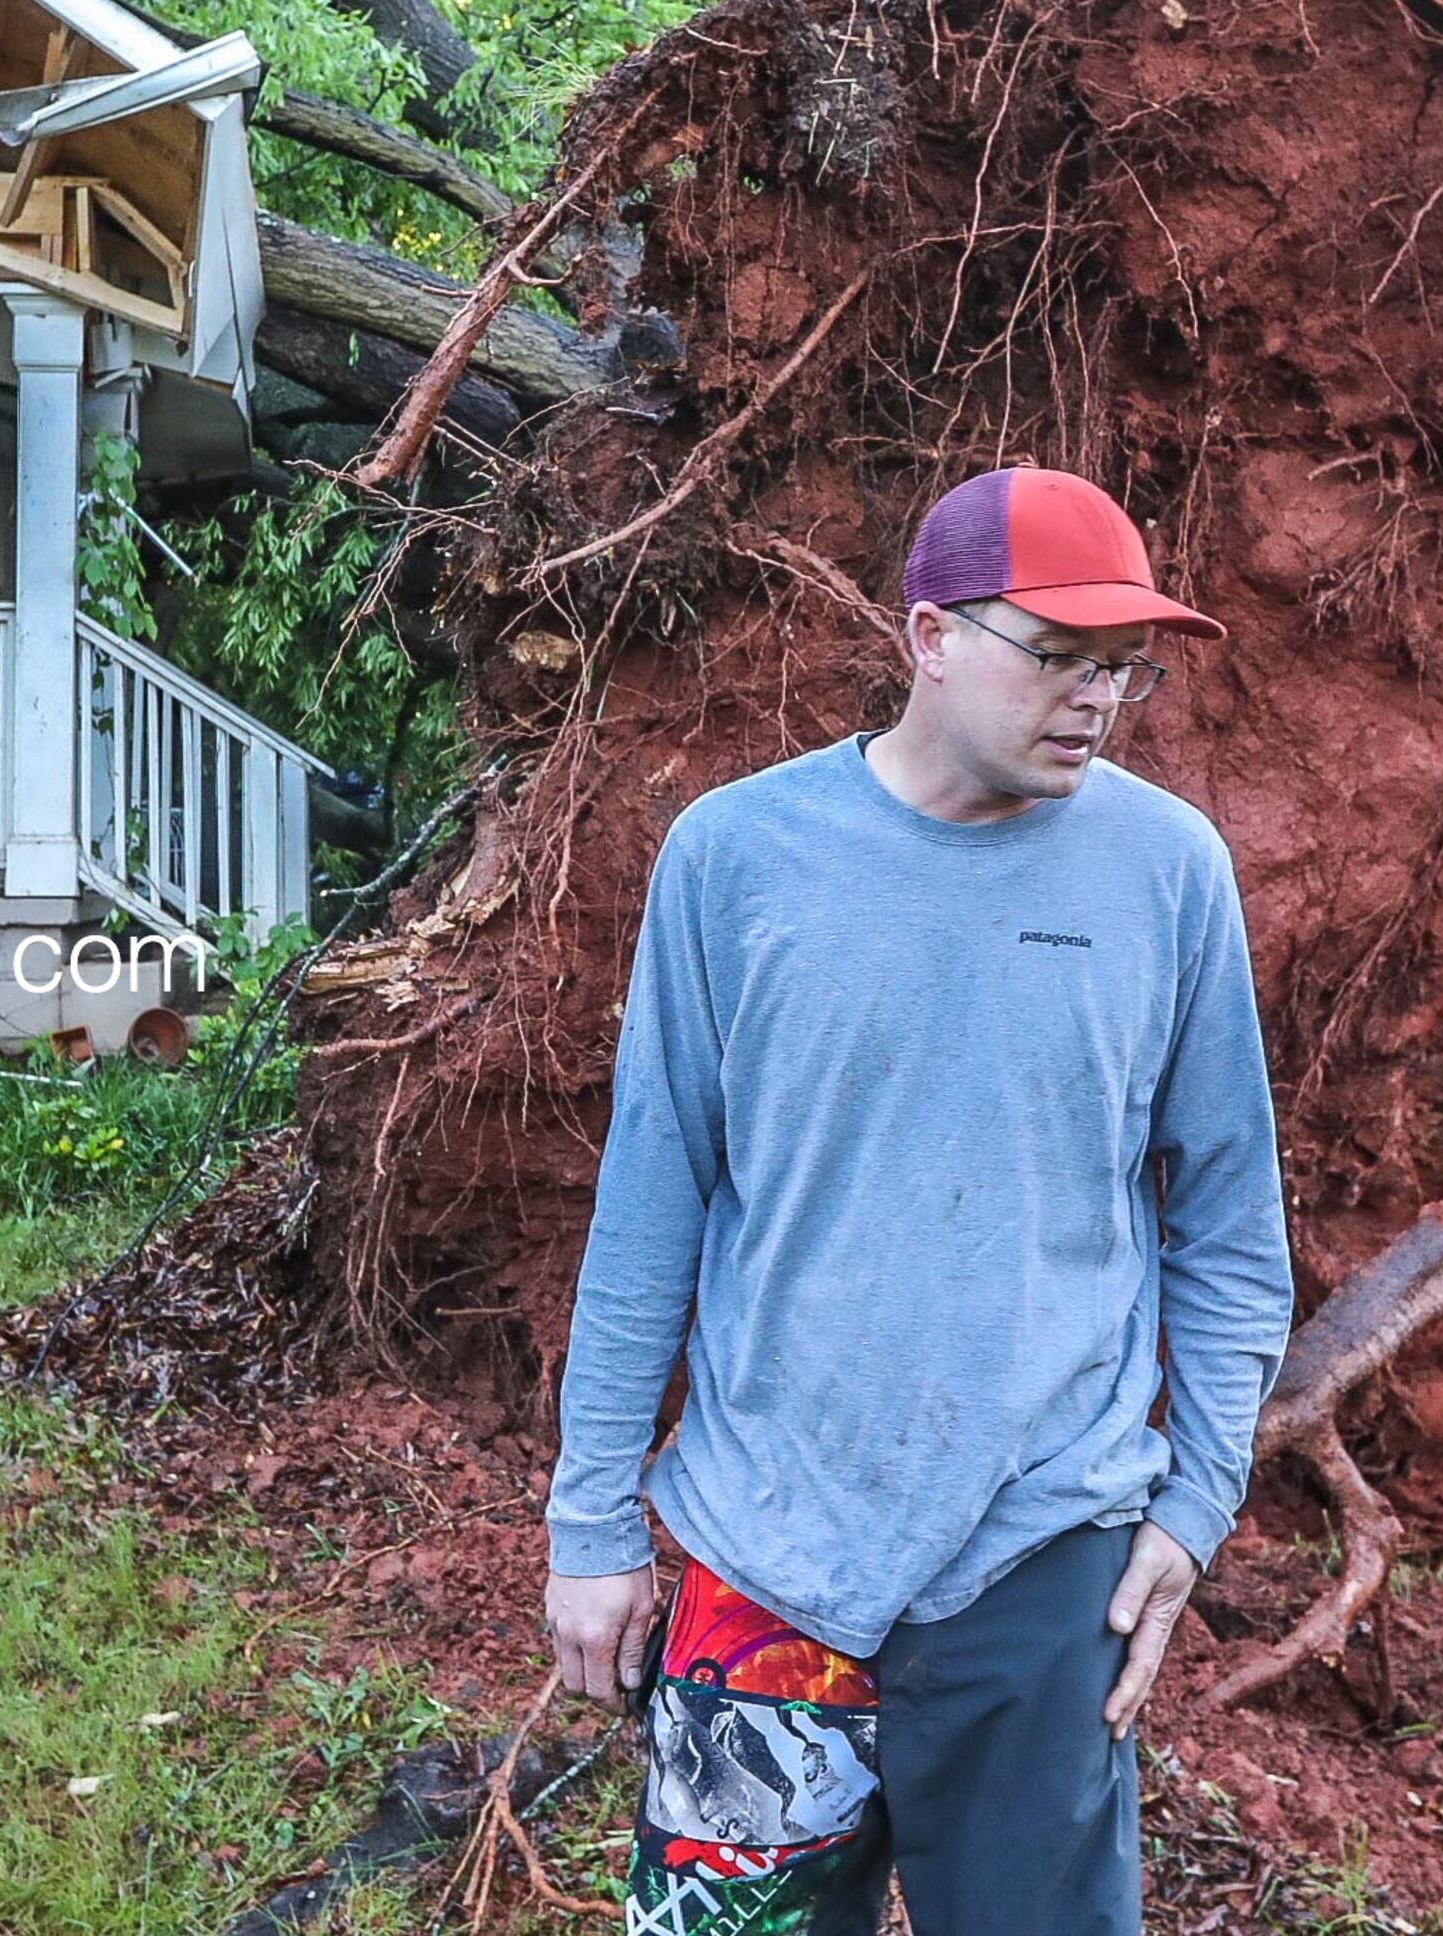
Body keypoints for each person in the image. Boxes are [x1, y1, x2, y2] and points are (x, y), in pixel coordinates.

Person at [542, 464, 1294, 1936]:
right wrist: (591, 1524)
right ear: (930, 634)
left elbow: (1230, 1227)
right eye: (1057, 656)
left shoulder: (1169, 873)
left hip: (1042, 1567)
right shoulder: (737, 859)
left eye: (1120, 670)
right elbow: (650, 1204)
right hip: (766, 1557)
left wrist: (1196, 1504)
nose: (1093, 698)